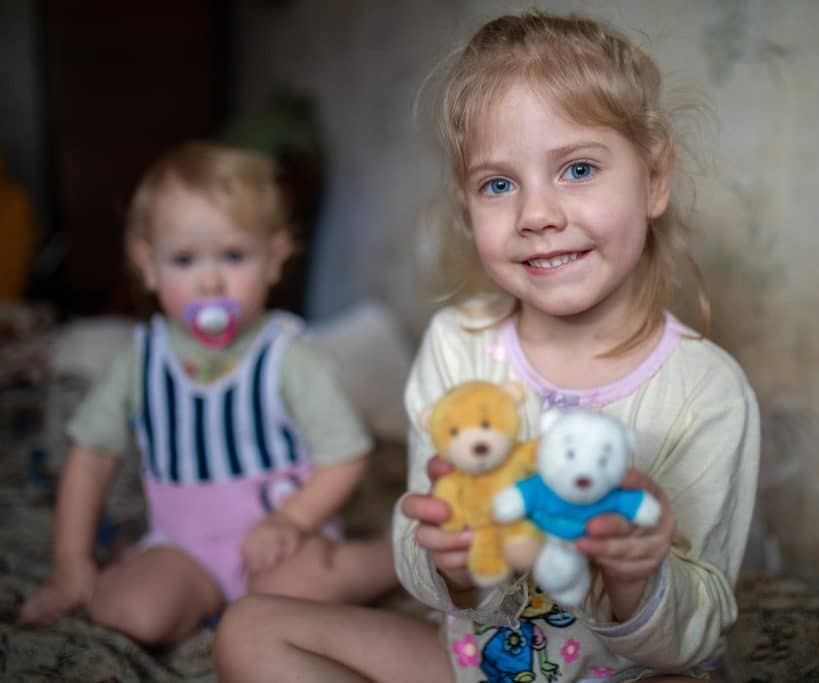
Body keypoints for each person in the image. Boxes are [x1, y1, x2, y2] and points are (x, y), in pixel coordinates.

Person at [214, 10, 759, 682]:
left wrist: (641, 576)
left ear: (653, 178)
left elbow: (694, 631)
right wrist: (447, 559)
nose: (536, 214)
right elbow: (422, 548)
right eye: (499, 184)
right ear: (468, 207)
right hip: (472, 665)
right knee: (250, 627)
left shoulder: (708, 389)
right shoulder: (459, 344)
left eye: (578, 168)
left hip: (626, 672)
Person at [16, 142, 396, 646]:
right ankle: (186, 590)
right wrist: (73, 563)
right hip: (183, 547)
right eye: (185, 259)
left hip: (282, 542)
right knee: (129, 614)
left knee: (299, 588)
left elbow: (345, 455)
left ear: (274, 260)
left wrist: (291, 521)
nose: (211, 281)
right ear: (148, 266)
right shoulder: (141, 359)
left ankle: (392, 557)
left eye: (234, 256)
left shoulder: (288, 355)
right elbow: (90, 459)